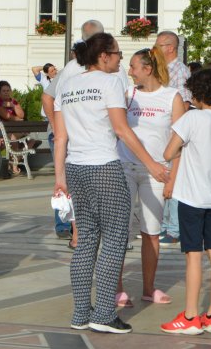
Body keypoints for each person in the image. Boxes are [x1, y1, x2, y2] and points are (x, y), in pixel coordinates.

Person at [52, 33, 168, 335]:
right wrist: (151, 164)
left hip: (76, 168)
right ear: (103, 55)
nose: (120, 59)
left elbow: (60, 137)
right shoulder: (109, 82)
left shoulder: (67, 85)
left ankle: (81, 313)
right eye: (117, 54)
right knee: (115, 240)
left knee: (86, 240)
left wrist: (59, 178)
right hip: (104, 166)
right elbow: (121, 129)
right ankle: (104, 314)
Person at [160, 68, 211, 335]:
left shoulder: (192, 119)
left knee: (193, 255)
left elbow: (169, 151)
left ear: (200, 94)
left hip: (191, 196)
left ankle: (190, 315)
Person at [115, 48, 175, 307]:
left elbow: (179, 138)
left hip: (157, 171)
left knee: (151, 232)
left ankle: (149, 288)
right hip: (125, 167)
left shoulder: (172, 97)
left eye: (133, 67)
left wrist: (173, 176)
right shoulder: (128, 96)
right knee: (119, 231)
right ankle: (117, 288)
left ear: (148, 69)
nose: (129, 72)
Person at [41, 20, 107, 241]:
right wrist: (57, 125)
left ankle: (73, 230)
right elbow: (48, 97)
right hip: (80, 137)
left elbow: (48, 97)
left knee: (67, 181)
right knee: (77, 184)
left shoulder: (71, 67)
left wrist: (56, 125)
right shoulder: (81, 68)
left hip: (69, 134)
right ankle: (75, 230)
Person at [153, 31, 190, 245]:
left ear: (170, 47)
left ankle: (174, 229)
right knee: (165, 179)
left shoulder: (180, 72)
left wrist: (176, 134)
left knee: (174, 180)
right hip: (164, 134)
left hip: (174, 134)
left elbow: (184, 106)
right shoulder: (163, 70)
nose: (154, 49)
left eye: (158, 45)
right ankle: (164, 225)